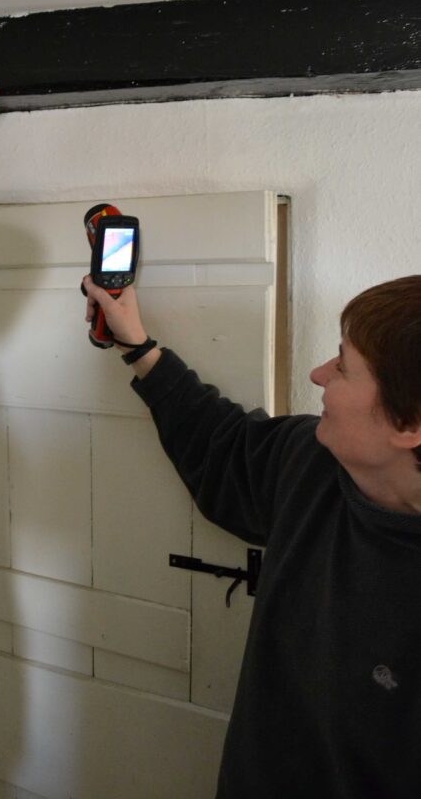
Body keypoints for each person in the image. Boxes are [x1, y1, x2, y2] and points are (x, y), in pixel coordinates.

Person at [82, 273, 421, 799]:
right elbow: (221, 445)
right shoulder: (313, 462)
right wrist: (138, 346)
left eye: (344, 367)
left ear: (410, 423)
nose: (318, 373)